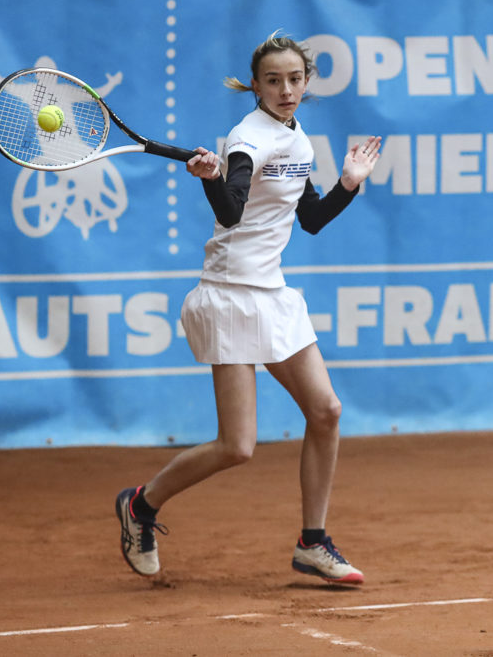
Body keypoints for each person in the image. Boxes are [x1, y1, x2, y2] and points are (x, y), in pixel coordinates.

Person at [115, 31, 381, 585]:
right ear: (255, 85)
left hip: (272, 294)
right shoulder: (247, 140)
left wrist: (349, 185)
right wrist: (213, 182)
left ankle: (313, 542)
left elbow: (308, 218)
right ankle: (141, 504)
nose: (285, 90)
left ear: (306, 82)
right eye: (273, 80)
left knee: (326, 412)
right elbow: (232, 212)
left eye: (294, 79)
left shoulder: (298, 139)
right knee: (237, 446)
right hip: (230, 295)